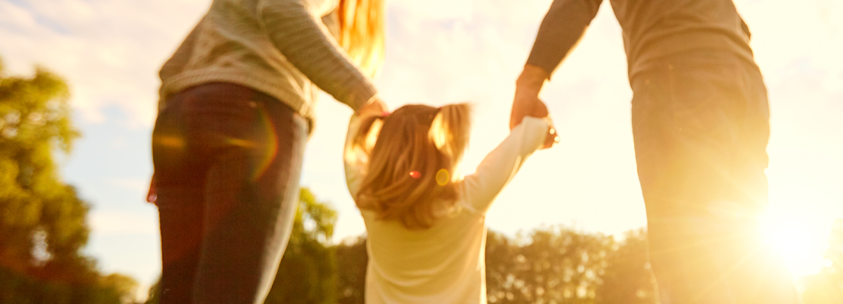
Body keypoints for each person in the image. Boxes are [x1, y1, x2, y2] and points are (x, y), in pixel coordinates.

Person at [509, 0, 796, 303]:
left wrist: (529, 82)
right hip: (743, 77)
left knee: (685, 245)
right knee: (748, 241)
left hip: (677, 70)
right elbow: (741, 26)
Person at [148, 0, 386, 302]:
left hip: (179, 122)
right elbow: (281, 9)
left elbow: (173, 68)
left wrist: (167, 154)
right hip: (254, 119)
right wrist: (368, 100)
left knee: (177, 294)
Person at [343, 103, 556, 303]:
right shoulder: (468, 199)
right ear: (441, 149)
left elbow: (354, 150)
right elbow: (525, 138)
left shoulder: (367, 200)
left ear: (381, 150)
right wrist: (543, 129)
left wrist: (369, 110)